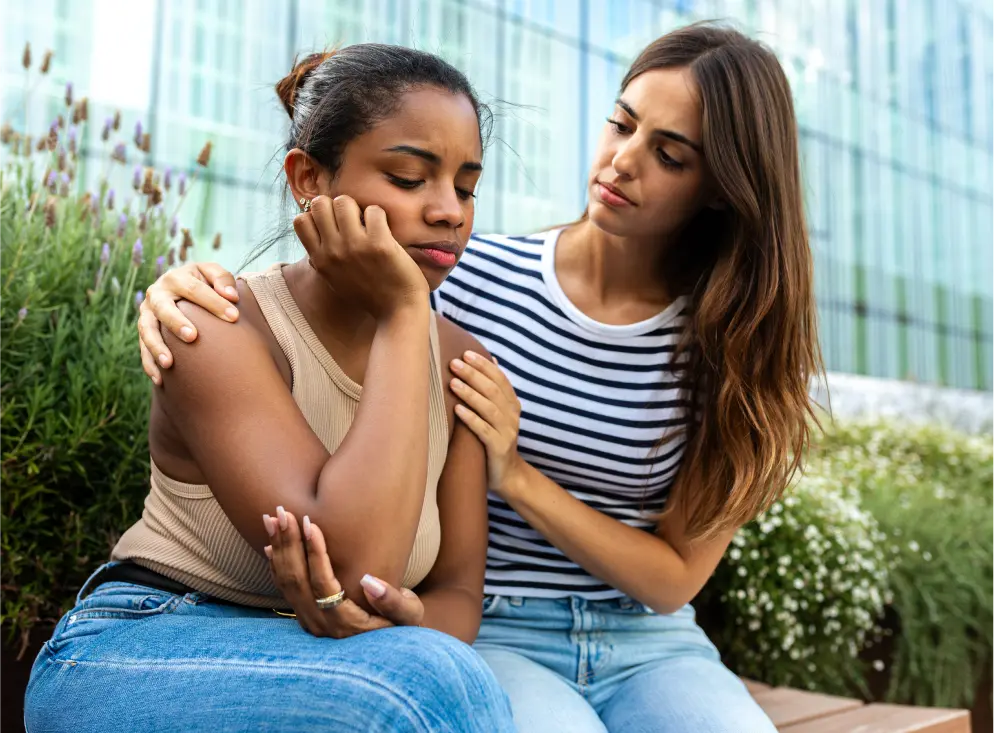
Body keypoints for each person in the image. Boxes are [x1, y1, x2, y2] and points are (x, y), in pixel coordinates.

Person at [136, 23, 821, 732]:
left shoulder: (742, 348)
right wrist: (177, 288)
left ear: (722, 188)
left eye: (670, 155)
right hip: (496, 627)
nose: (621, 162)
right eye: (621, 123)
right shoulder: (464, 276)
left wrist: (515, 473)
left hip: (652, 641)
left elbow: (674, 576)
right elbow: (330, 309)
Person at [24, 45, 516, 733]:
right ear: (307, 179)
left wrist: (405, 617)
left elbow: (458, 593)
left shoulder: (462, 361)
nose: (449, 212)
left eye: (465, 187)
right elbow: (357, 560)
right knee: (426, 686)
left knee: (441, 674)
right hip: (143, 643)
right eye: (409, 178)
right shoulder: (215, 324)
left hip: (342, 661)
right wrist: (405, 313)